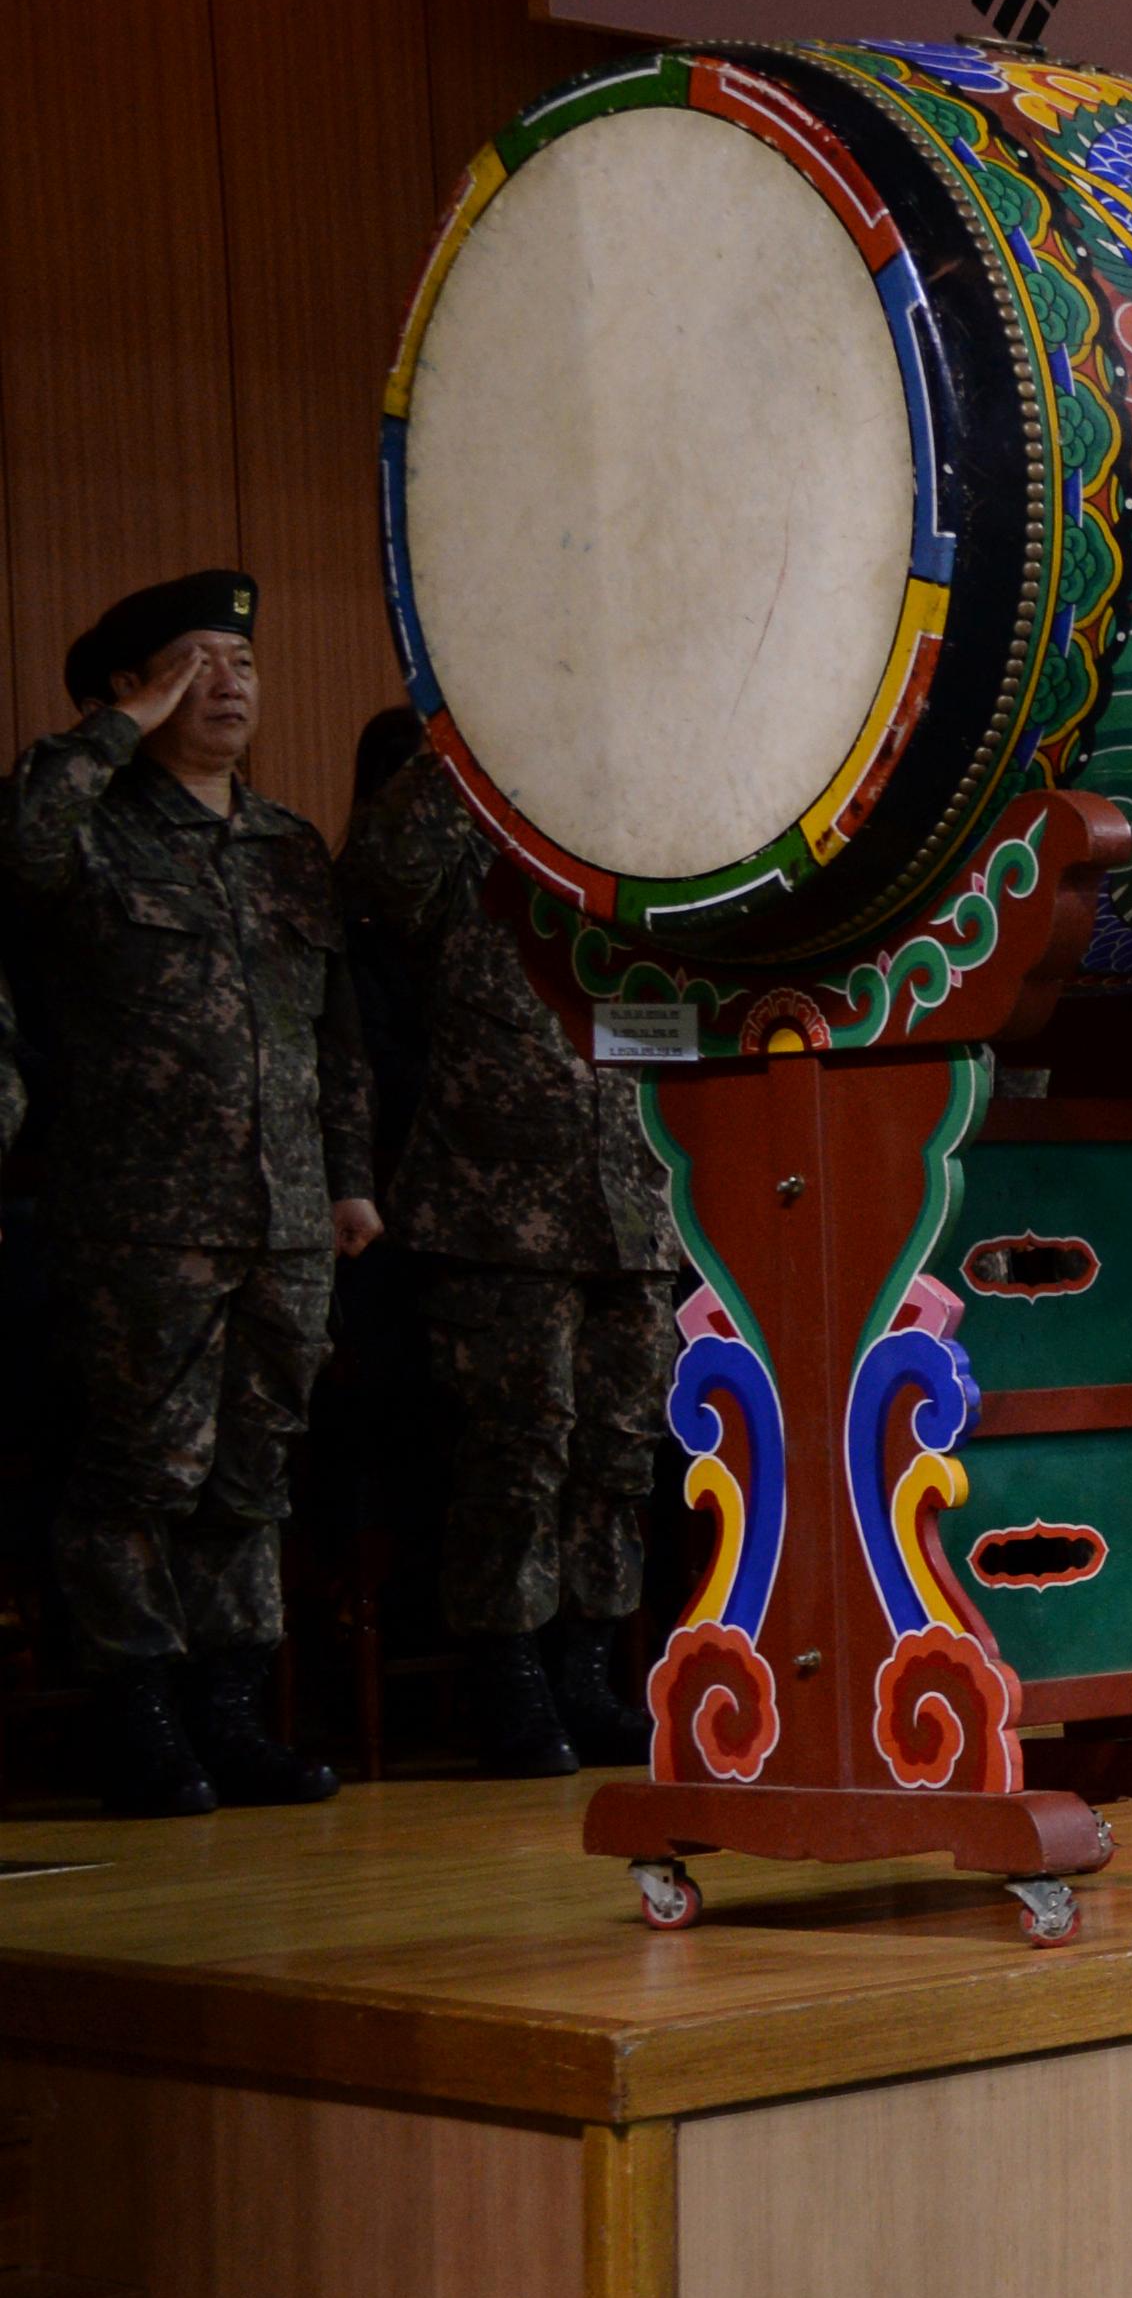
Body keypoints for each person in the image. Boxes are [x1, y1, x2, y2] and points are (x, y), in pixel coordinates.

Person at [6, 571, 366, 1814]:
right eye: (195, 662)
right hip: (143, 1220)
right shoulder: (89, 824)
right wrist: (112, 729)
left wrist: (350, 1184)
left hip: (286, 1223)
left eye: (245, 664)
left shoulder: (284, 848)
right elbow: (20, 853)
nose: (230, 684)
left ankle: (231, 1715)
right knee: (139, 1475)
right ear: (131, 684)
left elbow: (339, 1041)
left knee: (252, 1480)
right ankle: (138, 1718)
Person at [342, 745, 687, 1770]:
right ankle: (510, 1675)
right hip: (501, 1214)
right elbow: (379, 874)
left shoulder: (640, 860)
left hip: (634, 1210)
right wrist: (477, 739)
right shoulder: (470, 847)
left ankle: (584, 1670)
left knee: (618, 1453)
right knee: (517, 1449)